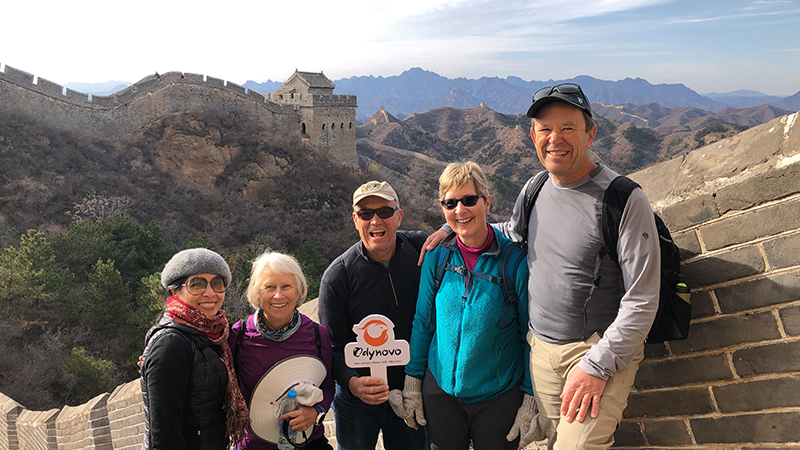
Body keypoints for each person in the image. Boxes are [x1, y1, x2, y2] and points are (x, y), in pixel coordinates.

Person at [422, 83, 661, 450]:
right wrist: (453, 225)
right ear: (532, 136)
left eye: (568, 128)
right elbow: (512, 232)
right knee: (551, 443)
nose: (555, 139)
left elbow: (642, 298)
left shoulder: (623, 199)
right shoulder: (535, 189)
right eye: (545, 129)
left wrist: (597, 366)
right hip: (542, 352)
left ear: (591, 133)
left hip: (594, 349)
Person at [394, 162, 540, 450]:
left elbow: (530, 336)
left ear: (487, 202)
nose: (460, 210)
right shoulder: (438, 257)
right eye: (450, 203)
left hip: (497, 395)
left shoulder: (514, 262)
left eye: (469, 200)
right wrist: (412, 382)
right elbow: (424, 321)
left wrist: (530, 399)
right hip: (441, 393)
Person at [318, 181, 428, 450]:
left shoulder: (421, 250)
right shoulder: (337, 276)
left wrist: (448, 228)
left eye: (385, 212)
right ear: (356, 220)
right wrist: (353, 383)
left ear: (399, 216)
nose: (375, 220)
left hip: (410, 391)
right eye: (366, 214)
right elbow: (332, 347)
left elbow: (461, 234)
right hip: (357, 401)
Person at [140, 248, 249, 450]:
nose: (210, 293)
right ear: (175, 291)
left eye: (217, 284)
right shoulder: (171, 344)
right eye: (197, 285)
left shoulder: (214, 336)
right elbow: (163, 436)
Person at [230, 251, 335, 450]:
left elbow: (328, 384)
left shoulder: (318, 335)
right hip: (253, 446)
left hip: (308, 442)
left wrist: (315, 412)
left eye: (286, 286)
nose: (278, 295)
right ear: (257, 294)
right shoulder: (238, 336)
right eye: (270, 287)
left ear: (298, 292)